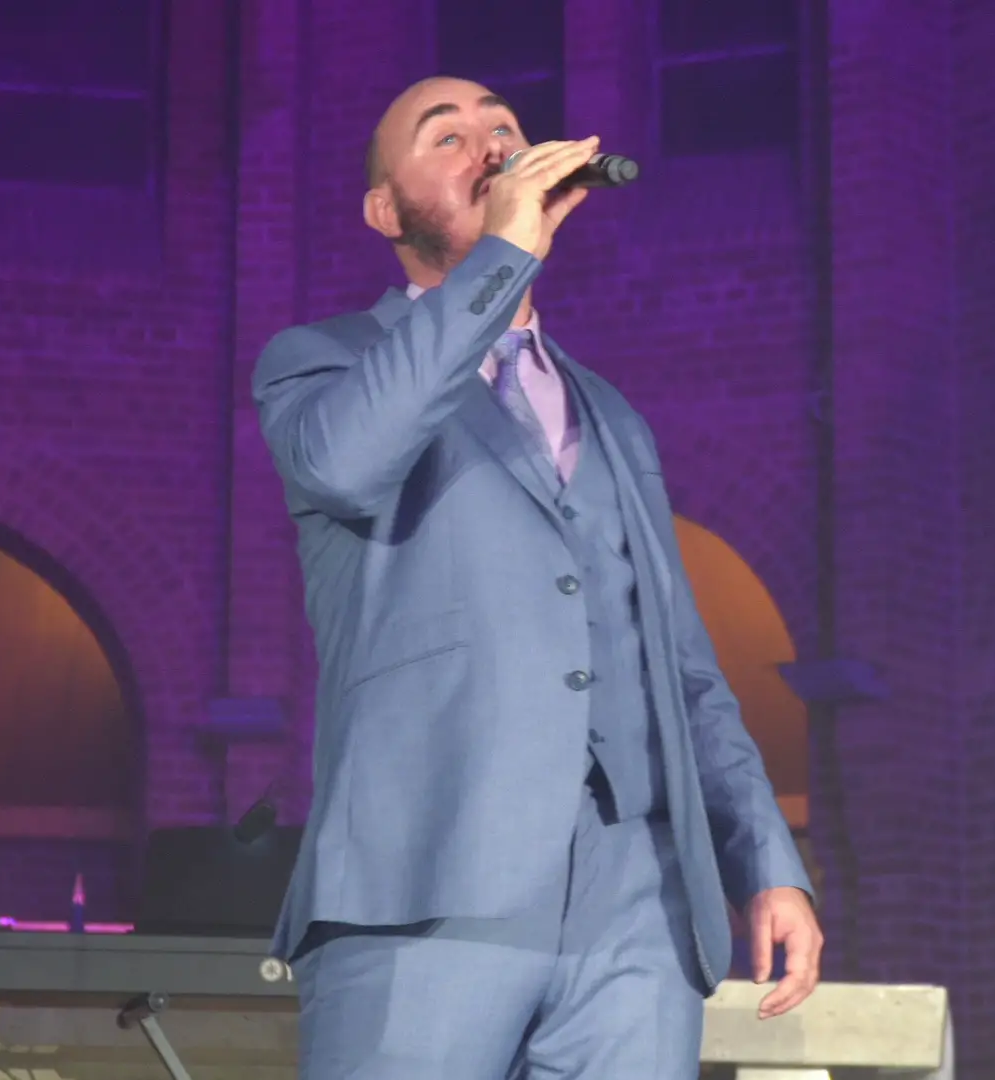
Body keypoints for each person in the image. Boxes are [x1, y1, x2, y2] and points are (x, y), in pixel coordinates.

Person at [251, 75, 824, 1079]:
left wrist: (765, 861)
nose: (488, 146)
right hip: (426, 883)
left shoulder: (610, 414)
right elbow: (345, 464)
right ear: (383, 210)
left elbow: (682, 668)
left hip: (635, 906)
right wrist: (505, 255)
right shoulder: (324, 361)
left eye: (503, 129)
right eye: (446, 136)